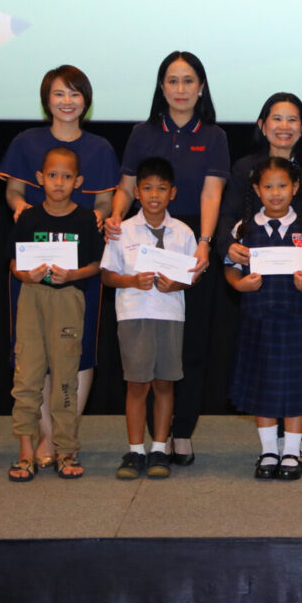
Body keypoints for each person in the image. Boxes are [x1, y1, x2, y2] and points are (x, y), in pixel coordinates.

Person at [107, 52, 229, 467]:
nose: (180, 89)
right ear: (162, 87)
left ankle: (182, 432)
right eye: (173, 81)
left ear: (201, 87)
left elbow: (212, 192)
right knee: (146, 342)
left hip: (189, 240)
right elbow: (126, 187)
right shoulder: (142, 133)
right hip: (144, 237)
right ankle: (149, 441)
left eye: (188, 81)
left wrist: (205, 243)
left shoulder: (213, 135)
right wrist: (115, 216)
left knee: (189, 342)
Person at [0, 64, 119, 467]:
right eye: (59, 93)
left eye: (75, 93)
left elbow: (105, 200)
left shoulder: (100, 147)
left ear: (87, 100)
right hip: (33, 264)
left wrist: (101, 215)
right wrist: (21, 209)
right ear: (46, 99)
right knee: (33, 354)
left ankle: (59, 439)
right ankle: (44, 435)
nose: (67, 101)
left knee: (75, 351)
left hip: (80, 265)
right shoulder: (26, 141)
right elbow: (13, 191)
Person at [217, 93, 302, 465]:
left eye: (292, 119)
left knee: (301, 364)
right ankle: (271, 447)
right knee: (264, 364)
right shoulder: (245, 168)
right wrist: (228, 248)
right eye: (277, 118)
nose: (284, 126)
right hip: (260, 292)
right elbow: (227, 218)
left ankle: (298, 444)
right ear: (262, 124)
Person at [223, 158, 302, 481]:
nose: (275, 193)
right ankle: (269, 450)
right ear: (257, 190)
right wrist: (238, 284)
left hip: (297, 319)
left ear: (295, 188)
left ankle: (292, 451)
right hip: (258, 319)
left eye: (282, 185)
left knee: (297, 387)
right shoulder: (243, 229)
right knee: (263, 385)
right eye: (268, 186)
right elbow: (230, 267)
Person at [7, 147, 104, 482]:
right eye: (52, 175)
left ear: (78, 181)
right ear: (40, 178)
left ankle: (66, 449)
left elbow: (96, 264)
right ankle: (25, 449)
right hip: (32, 298)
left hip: (68, 300)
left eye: (66, 176)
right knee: (27, 374)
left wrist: (73, 274)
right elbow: (14, 263)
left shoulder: (85, 219)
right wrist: (25, 274)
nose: (59, 182)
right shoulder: (28, 218)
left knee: (65, 376)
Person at [100, 157, 197, 480]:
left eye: (162, 188)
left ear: (173, 193)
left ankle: (158, 448)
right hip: (134, 315)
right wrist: (131, 280)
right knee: (137, 383)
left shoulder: (183, 232)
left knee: (165, 383)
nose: (154, 195)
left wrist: (176, 284)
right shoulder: (122, 230)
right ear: (137, 193)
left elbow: (191, 276)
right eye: (147, 188)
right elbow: (107, 274)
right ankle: (135, 451)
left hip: (170, 315)